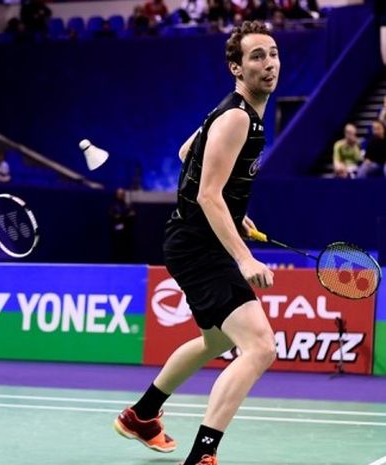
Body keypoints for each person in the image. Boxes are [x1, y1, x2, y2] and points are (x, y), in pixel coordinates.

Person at [114, 21, 279, 465]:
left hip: (193, 239)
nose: (269, 64)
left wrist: (233, 210)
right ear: (236, 68)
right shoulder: (237, 116)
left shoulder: (238, 113)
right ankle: (202, 455)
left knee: (212, 340)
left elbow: (188, 154)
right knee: (261, 346)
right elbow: (206, 193)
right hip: (200, 246)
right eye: (256, 56)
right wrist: (244, 257)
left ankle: (141, 416)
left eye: (273, 53)